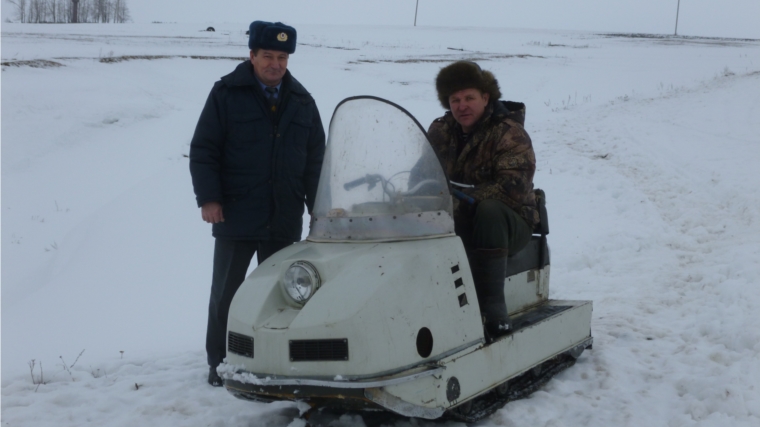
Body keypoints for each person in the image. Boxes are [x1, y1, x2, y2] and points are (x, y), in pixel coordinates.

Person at [189, 21, 325, 386]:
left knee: (282, 297)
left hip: (283, 217)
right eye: (268, 55)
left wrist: (320, 207)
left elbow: (316, 162)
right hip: (235, 214)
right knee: (227, 297)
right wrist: (210, 199)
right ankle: (219, 364)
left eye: (282, 57)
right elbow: (204, 150)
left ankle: (274, 362)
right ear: (252, 55)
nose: (275, 64)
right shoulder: (226, 94)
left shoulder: (302, 101)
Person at [427, 61, 539, 338]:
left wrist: (461, 200)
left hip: (511, 222)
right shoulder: (441, 131)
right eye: (455, 99)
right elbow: (422, 173)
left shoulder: (508, 132)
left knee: (489, 211)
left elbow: (512, 186)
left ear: (486, 97)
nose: (462, 105)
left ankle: (493, 309)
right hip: (456, 215)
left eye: (469, 98)